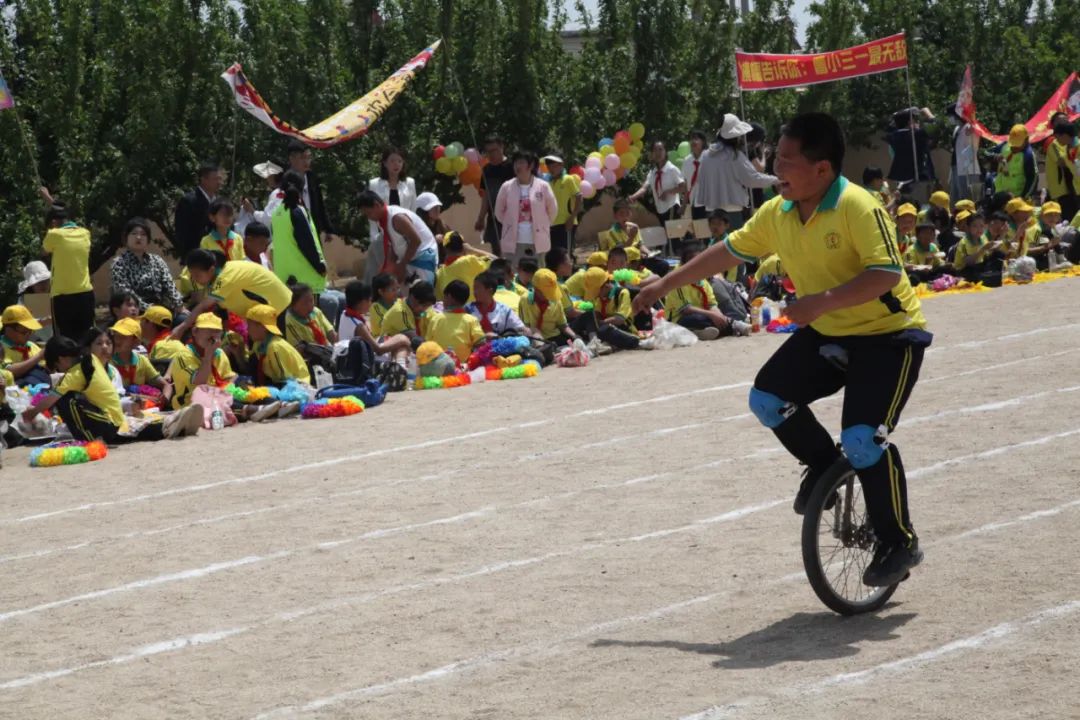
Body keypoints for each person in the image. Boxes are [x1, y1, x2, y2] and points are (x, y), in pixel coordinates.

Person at [633, 112, 930, 588]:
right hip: (828, 328)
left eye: (787, 162)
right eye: (775, 160)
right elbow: (727, 250)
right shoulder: (779, 212)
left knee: (863, 439)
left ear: (823, 170)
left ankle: (898, 540)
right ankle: (822, 464)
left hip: (888, 336)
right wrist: (665, 283)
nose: (777, 171)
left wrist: (821, 302)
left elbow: (886, 274)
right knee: (767, 399)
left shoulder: (858, 206)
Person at [23, 327, 201, 442]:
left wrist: (30, 414)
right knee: (136, 431)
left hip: (108, 422)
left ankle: (169, 425)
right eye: (99, 343)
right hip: (113, 417)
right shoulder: (91, 362)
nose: (105, 347)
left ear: (61, 359)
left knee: (65, 400)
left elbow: (51, 400)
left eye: (108, 343)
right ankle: (172, 424)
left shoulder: (77, 372)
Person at [172, 250, 292, 339]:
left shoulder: (224, 278)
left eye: (197, 275)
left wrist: (182, 328)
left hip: (278, 308)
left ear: (211, 270)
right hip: (262, 314)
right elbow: (220, 309)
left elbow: (204, 305)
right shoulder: (217, 278)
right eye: (192, 276)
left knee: (273, 351)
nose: (195, 279)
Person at [696, 114, 779, 229]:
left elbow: (699, 180)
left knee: (716, 244)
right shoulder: (734, 156)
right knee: (733, 245)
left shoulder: (705, 155)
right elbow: (752, 179)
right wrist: (776, 180)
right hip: (731, 211)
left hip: (712, 212)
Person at [662, 246, 748, 340]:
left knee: (719, 318)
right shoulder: (677, 279)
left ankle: (708, 330)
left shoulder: (701, 278)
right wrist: (712, 315)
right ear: (685, 264)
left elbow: (711, 303)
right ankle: (731, 326)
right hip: (679, 318)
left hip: (703, 314)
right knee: (699, 319)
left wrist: (718, 315)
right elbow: (685, 309)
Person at [356, 190, 439, 286]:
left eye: (369, 213)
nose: (369, 218)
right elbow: (393, 245)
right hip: (409, 260)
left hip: (423, 259)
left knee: (421, 297)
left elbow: (416, 241)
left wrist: (402, 265)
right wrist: (390, 266)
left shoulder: (397, 218)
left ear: (376, 205)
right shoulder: (383, 220)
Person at [494, 150, 558, 267]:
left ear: (531, 165)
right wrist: (509, 224)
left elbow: (552, 210)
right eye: (515, 163)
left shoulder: (543, 186)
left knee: (538, 276)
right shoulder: (507, 186)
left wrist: (543, 225)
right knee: (514, 274)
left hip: (538, 241)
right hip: (514, 242)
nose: (517, 166)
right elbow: (499, 212)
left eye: (521, 162)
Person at [364, 147, 419, 284]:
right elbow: (371, 213)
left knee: (404, 273)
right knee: (381, 272)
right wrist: (374, 237)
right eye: (392, 161)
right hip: (383, 236)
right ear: (384, 163)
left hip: (404, 235)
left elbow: (413, 210)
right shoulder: (375, 184)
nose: (396, 165)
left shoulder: (409, 183)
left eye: (400, 161)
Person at [42, 202, 94, 342]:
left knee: (64, 339)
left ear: (53, 223)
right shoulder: (85, 233)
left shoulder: (54, 234)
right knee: (86, 337)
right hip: (85, 294)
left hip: (62, 296)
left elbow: (45, 251)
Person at [110, 217, 184, 313]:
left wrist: (179, 305)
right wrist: (148, 309)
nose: (139, 237)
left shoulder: (157, 260)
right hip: (135, 311)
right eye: (134, 234)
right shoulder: (119, 264)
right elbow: (125, 293)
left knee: (184, 319)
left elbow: (169, 285)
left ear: (148, 239)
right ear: (126, 238)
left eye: (143, 234)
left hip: (162, 307)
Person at [272, 169, 328, 293]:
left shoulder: (276, 213)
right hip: (306, 280)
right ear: (302, 188)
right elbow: (306, 243)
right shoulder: (298, 211)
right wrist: (320, 267)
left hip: (284, 278)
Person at [336, 281, 412, 361]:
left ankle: (399, 365)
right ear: (363, 302)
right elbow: (378, 350)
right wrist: (401, 339)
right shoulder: (358, 326)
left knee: (388, 339)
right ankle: (401, 367)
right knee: (400, 344)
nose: (370, 303)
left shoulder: (344, 314)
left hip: (347, 357)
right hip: (361, 363)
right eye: (369, 300)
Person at [574, 267, 639, 351]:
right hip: (604, 328)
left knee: (605, 330)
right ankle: (608, 345)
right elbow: (597, 314)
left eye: (596, 291)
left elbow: (620, 319)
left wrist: (601, 322)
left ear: (606, 286)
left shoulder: (622, 293)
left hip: (623, 329)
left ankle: (636, 342)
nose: (595, 295)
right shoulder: (599, 298)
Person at [246, 304, 310, 386]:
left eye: (249, 325)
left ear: (262, 327)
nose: (247, 329)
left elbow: (284, 380)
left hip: (297, 386)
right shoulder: (259, 344)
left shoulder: (275, 347)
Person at [173, 161, 223, 262]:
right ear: (203, 180)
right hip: (197, 258)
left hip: (217, 258)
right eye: (215, 179)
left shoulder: (219, 202)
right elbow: (182, 233)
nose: (219, 182)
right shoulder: (189, 201)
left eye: (220, 179)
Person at [426, 280, 486, 364]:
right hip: (463, 367)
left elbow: (427, 344)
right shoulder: (471, 320)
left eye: (444, 297)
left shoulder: (436, 318)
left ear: (449, 297)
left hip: (438, 366)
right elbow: (481, 343)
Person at [476, 136, 515, 256]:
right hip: (492, 219)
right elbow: (486, 195)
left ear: (502, 147)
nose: (490, 154)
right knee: (492, 252)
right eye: (488, 152)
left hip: (510, 219)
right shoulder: (486, 169)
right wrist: (481, 217)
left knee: (509, 252)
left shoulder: (512, 167)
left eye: (494, 150)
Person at [886, 107, 936, 203]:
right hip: (918, 179)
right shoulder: (915, 135)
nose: (916, 122)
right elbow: (935, 127)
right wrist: (929, 115)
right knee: (920, 206)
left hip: (901, 180)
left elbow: (890, 127)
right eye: (914, 120)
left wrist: (899, 114)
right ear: (909, 122)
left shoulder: (893, 137)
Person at [286, 139, 334, 238]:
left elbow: (320, 205)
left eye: (309, 157)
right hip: (293, 232)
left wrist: (327, 228)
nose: (307, 162)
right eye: (303, 158)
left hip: (313, 230)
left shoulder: (313, 179)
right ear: (292, 159)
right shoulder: (285, 181)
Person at [630, 141, 685, 223]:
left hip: (672, 208)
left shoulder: (672, 169)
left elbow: (683, 187)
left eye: (660, 149)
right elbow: (644, 188)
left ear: (665, 152)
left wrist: (668, 192)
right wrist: (633, 197)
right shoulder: (653, 172)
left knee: (672, 234)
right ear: (652, 154)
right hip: (660, 210)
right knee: (668, 234)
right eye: (655, 150)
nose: (658, 153)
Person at [110, 317, 169, 393]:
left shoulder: (141, 360)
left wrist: (163, 399)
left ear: (136, 342)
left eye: (123, 337)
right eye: (116, 335)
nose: (117, 340)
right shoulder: (107, 361)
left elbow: (165, 385)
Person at [520, 269, 578, 344]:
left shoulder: (556, 299)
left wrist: (575, 337)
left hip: (555, 336)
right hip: (535, 338)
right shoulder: (526, 300)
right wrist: (540, 341)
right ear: (536, 289)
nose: (549, 296)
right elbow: (526, 327)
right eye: (545, 293)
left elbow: (563, 325)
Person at [435, 231, 495, 302]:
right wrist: (472, 249)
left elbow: (439, 299)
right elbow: (495, 260)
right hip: (473, 311)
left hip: (453, 312)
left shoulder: (439, 273)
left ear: (445, 249)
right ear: (463, 246)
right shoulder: (469, 261)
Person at [469, 271, 529, 337]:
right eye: (474, 288)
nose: (474, 292)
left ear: (490, 291)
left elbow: (520, 328)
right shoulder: (468, 310)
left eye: (477, 288)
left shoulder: (504, 310)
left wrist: (525, 331)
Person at [2, 305, 48, 387]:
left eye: (30, 331)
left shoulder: (31, 345)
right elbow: (10, 371)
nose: (28, 334)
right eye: (24, 331)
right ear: (9, 329)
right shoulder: (2, 348)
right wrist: (38, 356)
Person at [236, 161, 284, 238]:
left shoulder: (278, 193)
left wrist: (252, 211)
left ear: (274, 175)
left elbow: (268, 219)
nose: (267, 177)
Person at [285, 283, 337, 349]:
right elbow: (299, 349)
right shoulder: (289, 322)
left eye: (311, 300)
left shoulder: (316, 312)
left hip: (328, 351)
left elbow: (331, 333)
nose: (310, 305)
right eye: (305, 303)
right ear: (293, 305)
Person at [546, 155, 582, 251]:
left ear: (561, 165)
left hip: (566, 223)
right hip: (552, 224)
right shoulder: (548, 183)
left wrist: (572, 217)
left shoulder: (568, 179)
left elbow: (579, 197)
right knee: (554, 255)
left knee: (565, 254)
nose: (550, 169)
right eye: (549, 166)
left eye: (553, 166)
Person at [1046, 121, 1079, 222]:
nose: (1056, 140)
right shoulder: (1069, 149)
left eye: (1057, 137)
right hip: (1077, 190)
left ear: (1064, 135)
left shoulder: (1077, 148)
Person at [993, 124, 1038, 199]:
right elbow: (984, 152)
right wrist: (994, 157)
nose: (1014, 147)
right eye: (1012, 143)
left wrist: (1023, 198)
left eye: (1017, 144)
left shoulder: (1028, 155)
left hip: (1017, 198)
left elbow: (1032, 179)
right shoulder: (1004, 146)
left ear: (1026, 140)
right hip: (1000, 197)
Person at [948, 104, 981, 203]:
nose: (950, 119)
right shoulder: (957, 129)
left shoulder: (971, 127)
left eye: (951, 116)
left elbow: (973, 147)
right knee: (956, 197)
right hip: (955, 166)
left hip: (968, 168)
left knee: (967, 198)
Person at [683, 130, 709, 219]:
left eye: (696, 139)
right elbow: (686, 185)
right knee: (699, 231)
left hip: (709, 203)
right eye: (691, 139)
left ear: (703, 142)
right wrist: (684, 205)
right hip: (695, 203)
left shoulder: (710, 157)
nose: (693, 142)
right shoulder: (687, 161)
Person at [368, 273, 400, 338]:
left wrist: (423, 314)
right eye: (393, 290)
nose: (397, 292)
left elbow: (418, 314)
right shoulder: (375, 307)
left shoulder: (399, 302)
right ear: (381, 292)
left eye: (397, 288)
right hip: (382, 340)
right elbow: (384, 324)